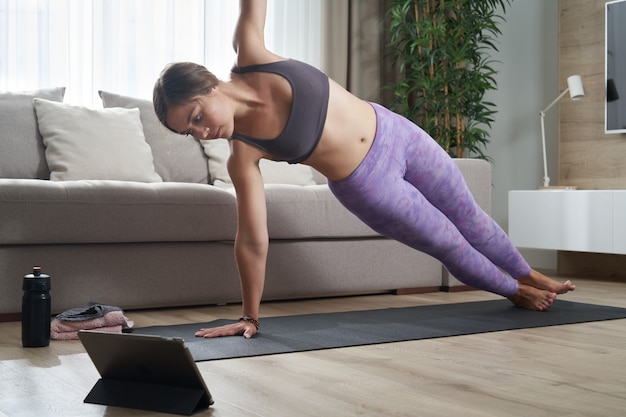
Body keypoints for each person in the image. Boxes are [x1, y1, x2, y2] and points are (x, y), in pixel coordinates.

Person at [153, 0, 575, 339]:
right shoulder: (243, 153)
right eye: (190, 131)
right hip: (367, 186)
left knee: (469, 216)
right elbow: (251, 240)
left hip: (397, 133)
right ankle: (515, 290)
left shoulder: (252, 53)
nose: (203, 131)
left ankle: (530, 273)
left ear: (207, 84)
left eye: (195, 116)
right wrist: (250, 317)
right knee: (448, 242)